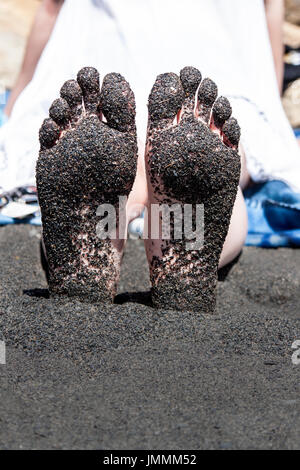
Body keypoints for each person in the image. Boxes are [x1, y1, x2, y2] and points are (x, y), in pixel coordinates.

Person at [1, 0, 299, 310]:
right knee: (214, 159)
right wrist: (270, 107)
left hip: (96, 62)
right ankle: (181, 259)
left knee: (94, 166)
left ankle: (94, 244)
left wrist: (14, 109)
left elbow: (51, 7)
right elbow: (270, 11)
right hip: (216, 70)